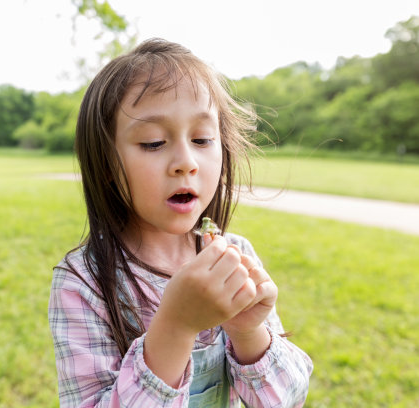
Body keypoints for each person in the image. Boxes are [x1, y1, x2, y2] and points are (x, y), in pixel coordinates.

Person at [48, 39, 313, 407]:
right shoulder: (83, 282)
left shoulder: (233, 254)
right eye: (154, 143)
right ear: (107, 164)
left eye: (203, 138)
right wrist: (175, 325)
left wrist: (249, 331)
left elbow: (287, 399)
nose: (185, 161)